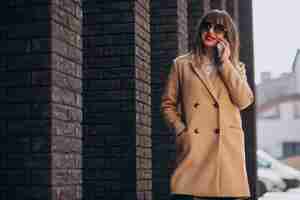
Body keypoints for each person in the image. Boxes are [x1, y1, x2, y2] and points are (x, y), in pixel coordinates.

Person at [160, 9, 255, 200]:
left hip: (225, 154)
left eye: (219, 29)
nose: (210, 32)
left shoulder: (236, 67)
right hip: (195, 149)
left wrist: (225, 64)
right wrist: (181, 130)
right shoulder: (182, 64)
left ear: (227, 36)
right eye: (206, 26)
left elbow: (244, 101)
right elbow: (167, 104)